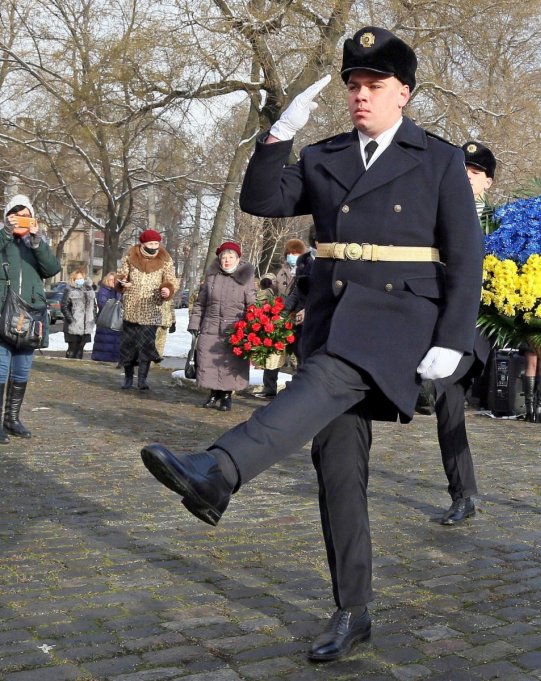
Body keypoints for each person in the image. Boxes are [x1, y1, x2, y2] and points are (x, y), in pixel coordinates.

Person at [140, 25, 483, 662]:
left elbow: (467, 257)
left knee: (325, 380)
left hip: (401, 318)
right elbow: (263, 198)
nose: (360, 96)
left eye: (374, 85)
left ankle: (220, 470)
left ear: (402, 93)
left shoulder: (435, 159)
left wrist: (454, 339)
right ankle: (353, 612)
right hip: (335, 316)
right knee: (339, 471)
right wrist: (278, 136)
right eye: (353, 85)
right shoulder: (325, 156)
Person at [431, 141, 494, 525]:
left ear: (488, 181)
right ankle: (463, 494)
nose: (466, 178)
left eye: (474, 172)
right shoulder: (434, 214)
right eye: (461, 170)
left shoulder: (502, 223)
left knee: (440, 385)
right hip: (439, 321)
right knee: (447, 404)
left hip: (479, 326)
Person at [0, 194, 62, 442]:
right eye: (17, 215)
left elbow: (52, 269)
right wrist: (6, 232)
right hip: (3, 312)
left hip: (30, 316)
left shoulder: (34, 244)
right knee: (1, 369)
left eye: (27, 216)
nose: (22, 221)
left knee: (22, 370)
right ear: (8, 216)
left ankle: (12, 419)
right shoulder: (3, 239)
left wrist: (37, 241)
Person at [188, 241, 256, 411]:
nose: (226, 260)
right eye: (223, 257)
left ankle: (226, 396)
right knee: (209, 361)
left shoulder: (246, 278)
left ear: (238, 259)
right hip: (210, 326)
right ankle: (213, 394)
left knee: (230, 363)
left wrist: (252, 326)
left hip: (235, 329)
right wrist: (195, 324)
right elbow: (200, 303)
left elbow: (252, 304)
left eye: (230, 257)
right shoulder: (212, 276)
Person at [117, 229, 178, 390]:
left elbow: (171, 280)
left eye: (156, 243)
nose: (153, 247)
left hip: (152, 308)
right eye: (150, 243)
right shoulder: (131, 255)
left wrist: (167, 289)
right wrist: (123, 282)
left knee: (146, 345)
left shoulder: (165, 258)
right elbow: (121, 275)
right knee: (128, 345)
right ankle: (128, 378)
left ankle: (142, 379)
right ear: (143, 243)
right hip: (131, 307)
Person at [62, 269, 96, 359]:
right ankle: (69, 366)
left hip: (86, 326)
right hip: (73, 326)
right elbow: (64, 307)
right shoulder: (69, 290)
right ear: (73, 279)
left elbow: (94, 306)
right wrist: (72, 320)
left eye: (81, 278)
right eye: (77, 278)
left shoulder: (89, 289)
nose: (80, 280)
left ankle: (77, 366)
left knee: (80, 349)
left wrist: (92, 319)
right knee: (72, 349)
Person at [92, 272, 122, 364]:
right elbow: (104, 305)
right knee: (103, 344)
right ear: (106, 280)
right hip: (105, 322)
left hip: (114, 323)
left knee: (114, 344)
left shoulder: (118, 292)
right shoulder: (103, 291)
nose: (113, 282)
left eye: (115, 280)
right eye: (111, 280)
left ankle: (113, 359)